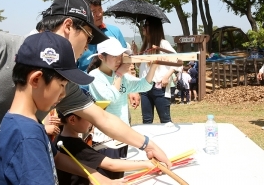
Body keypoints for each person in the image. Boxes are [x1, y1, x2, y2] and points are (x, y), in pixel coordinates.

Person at [0, 0, 171, 185]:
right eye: (89, 38)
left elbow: (101, 118)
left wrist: (147, 145)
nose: (89, 48)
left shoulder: (60, 80)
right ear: (68, 26)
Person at [0, 31, 91, 184]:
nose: (63, 94)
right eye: (61, 85)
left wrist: (93, 174)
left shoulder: (21, 122)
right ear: (36, 79)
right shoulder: (28, 135)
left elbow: (56, 157)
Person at [87, 37, 161, 179]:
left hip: (122, 135)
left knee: (119, 177)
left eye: (120, 56)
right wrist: (120, 74)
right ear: (101, 57)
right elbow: (110, 98)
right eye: (114, 56)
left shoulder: (120, 76)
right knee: (108, 178)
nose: (119, 60)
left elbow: (143, 86)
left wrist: (154, 66)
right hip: (105, 139)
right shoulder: (95, 76)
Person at [76, 0, 141, 111]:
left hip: (115, 93)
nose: (99, 14)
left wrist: (133, 90)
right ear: (83, 12)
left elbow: (126, 62)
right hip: (84, 96)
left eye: (100, 9)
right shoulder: (76, 36)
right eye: (94, 11)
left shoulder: (114, 32)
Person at [56, 109, 156, 185]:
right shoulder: (76, 146)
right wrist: (147, 164)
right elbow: (111, 165)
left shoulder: (58, 138)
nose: (93, 122)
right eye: (89, 118)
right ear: (72, 120)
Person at [132, 16, 178, 124]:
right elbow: (140, 66)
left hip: (159, 86)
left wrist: (167, 76)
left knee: (165, 120)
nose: (143, 27)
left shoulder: (163, 44)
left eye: (146, 25)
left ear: (153, 28)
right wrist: (135, 53)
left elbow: (177, 61)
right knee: (146, 120)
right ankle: (148, 141)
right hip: (144, 86)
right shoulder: (146, 45)